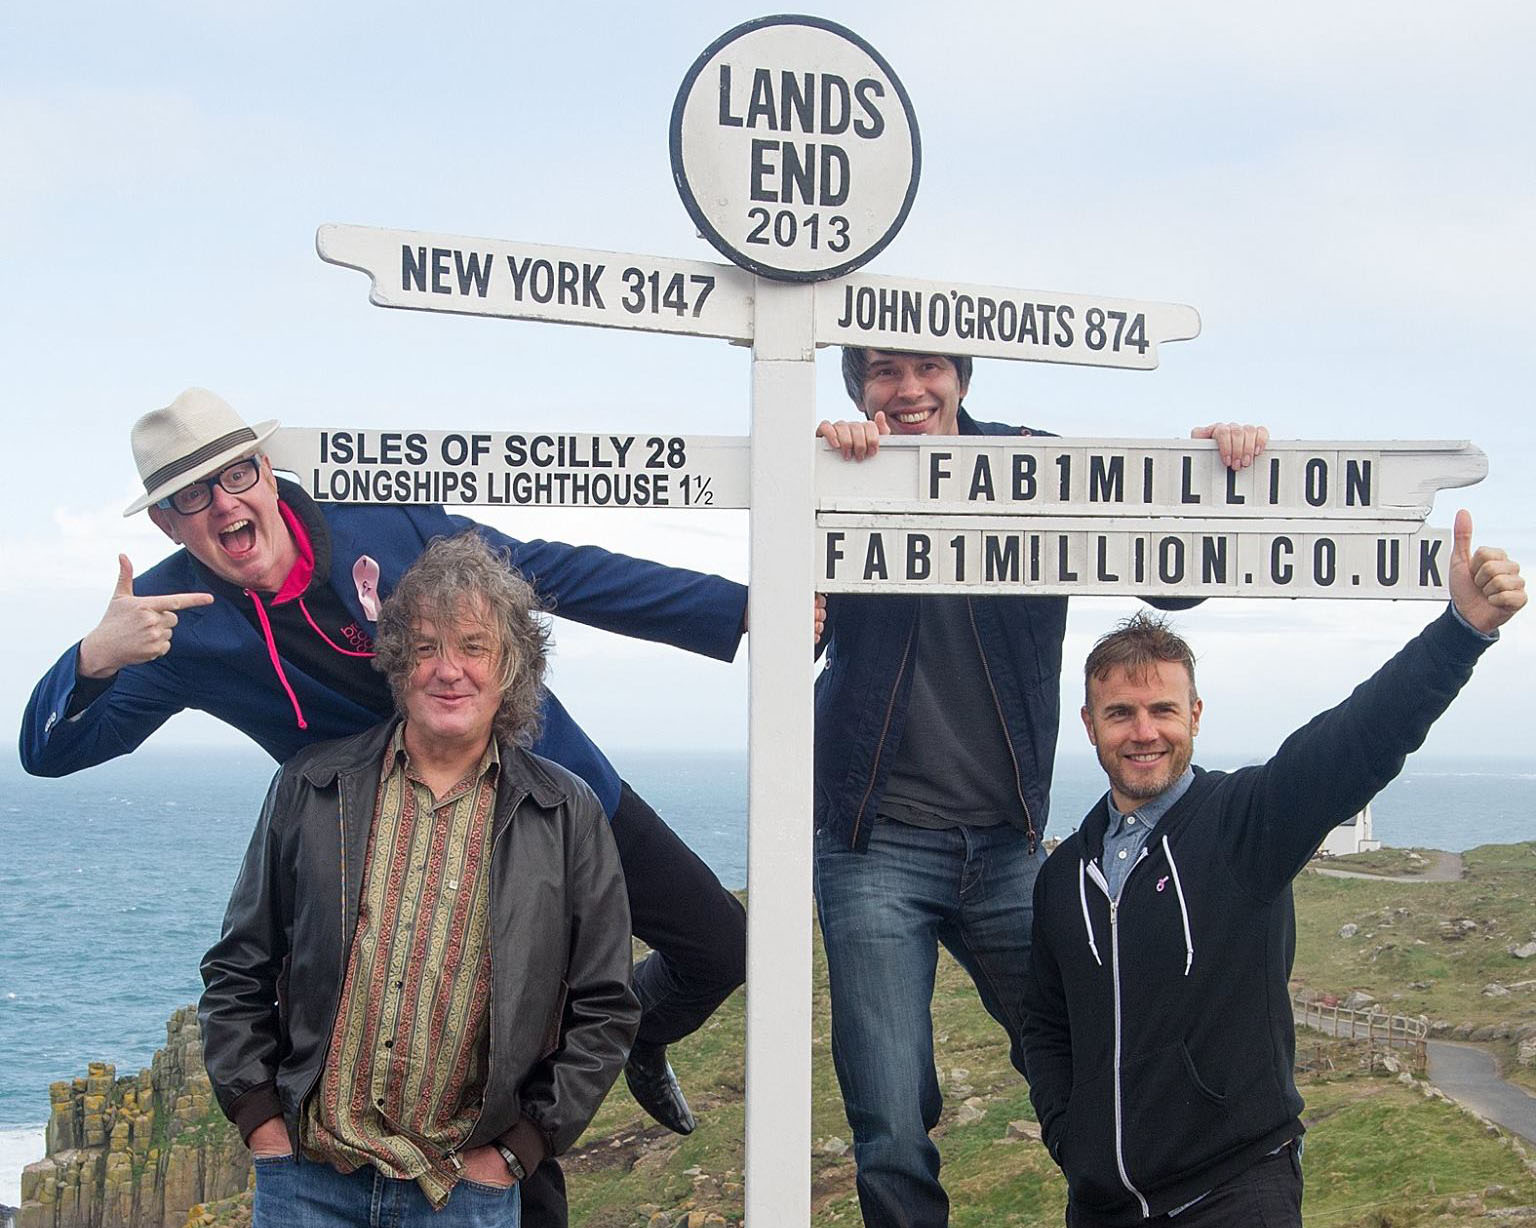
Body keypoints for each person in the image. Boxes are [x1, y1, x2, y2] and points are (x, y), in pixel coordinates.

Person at [20, 388, 745, 1225]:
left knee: (720, 945)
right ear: (169, 526)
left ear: (267, 470)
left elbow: (546, 572)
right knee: (502, 1082)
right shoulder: (171, 616)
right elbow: (50, 751)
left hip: (539, 798)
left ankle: (644, 1040)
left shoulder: (378, 519)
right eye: (192, 495)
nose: (224, 503)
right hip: (384, 852)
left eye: (236, 474)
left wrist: (734, 608)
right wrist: (92, 660)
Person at [812, 347, 1269, 1228]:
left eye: (927, 369)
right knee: (891, 1115)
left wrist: (1220, 478)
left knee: (1095, 1054)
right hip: (873, 845)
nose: (908, 391)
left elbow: (1172, 583)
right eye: (882, 374)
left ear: (963, 379)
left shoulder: (1033, 465)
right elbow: (793, 625)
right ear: (859, 390)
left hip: (1009, 845)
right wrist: (821, 475)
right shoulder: (835, 475)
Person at [1022, 511, 1525, 1227]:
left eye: (1163, 709)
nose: (1143, 732)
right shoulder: (1062, 875)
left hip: (1234, 1192)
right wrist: (1068, 1134)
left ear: (1195, 715)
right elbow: (1043, 1020)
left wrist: (1461, 632)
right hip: (1101, 1206)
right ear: (1089, 725)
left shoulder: (1245, 822)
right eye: (1121, 713)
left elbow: (1359, 737)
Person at [199, 532, 639, 1228]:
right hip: (310, 1184)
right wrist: (259, 1117)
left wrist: (522, 1148)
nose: (448, 670)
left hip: (464, 1192)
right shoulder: (311, 788)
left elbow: (606, 1006)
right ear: (400, 665)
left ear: (511, 669)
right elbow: (238, 967)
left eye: (472, 647)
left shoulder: (566, 813)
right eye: (427, 647)